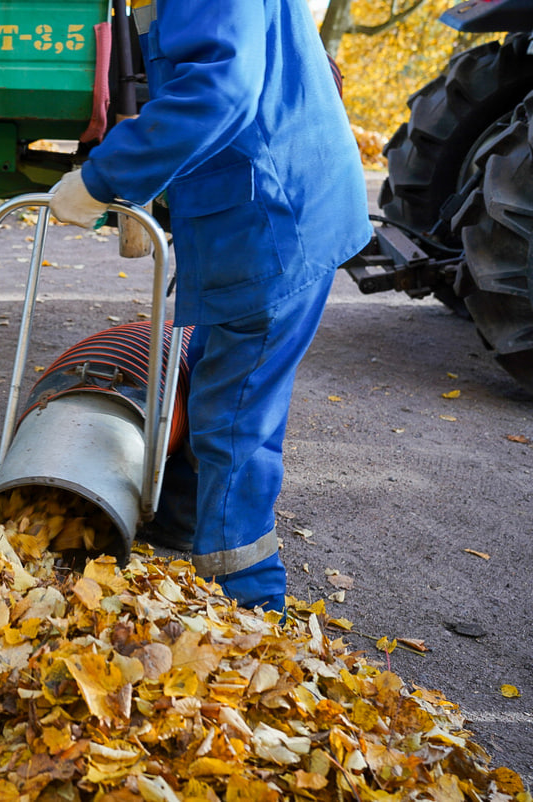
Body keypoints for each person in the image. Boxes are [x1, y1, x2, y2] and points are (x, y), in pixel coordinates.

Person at [49, 0, 371, 614]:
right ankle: (177, 522)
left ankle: (248, 607)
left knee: (234, 413)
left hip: (274, 218)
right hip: (274, 200)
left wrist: (102, 179)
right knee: (207, 363)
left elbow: (220, 87)